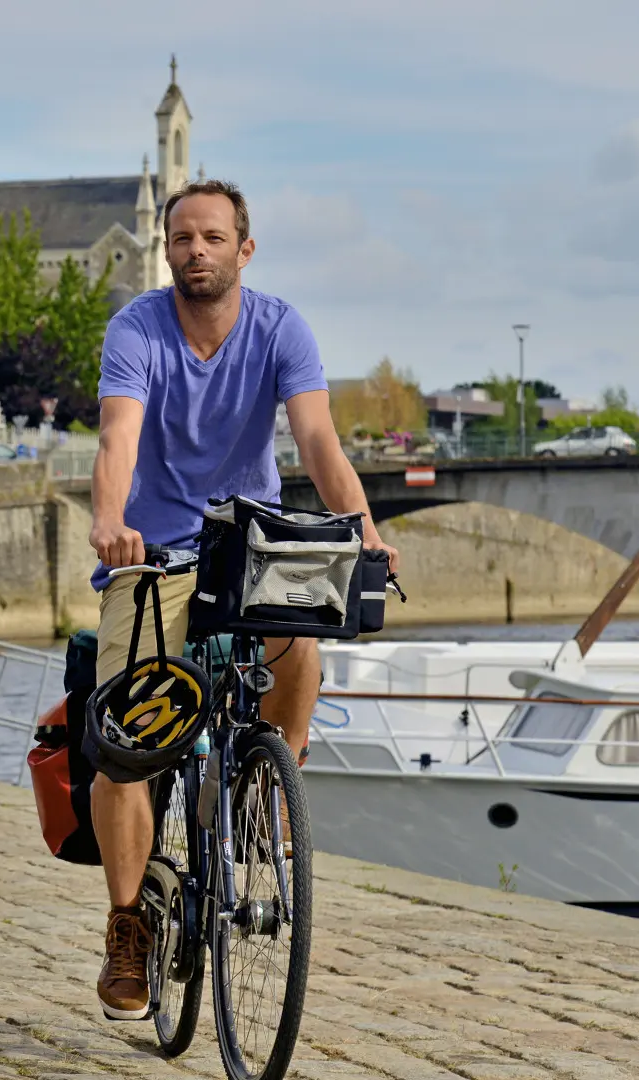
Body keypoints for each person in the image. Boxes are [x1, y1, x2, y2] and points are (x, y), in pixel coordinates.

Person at [85, 179, 398, 1020]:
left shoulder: (279, 328)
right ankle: (127, 924)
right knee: (130, 727)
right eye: (182, 238)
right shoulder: (137, 329)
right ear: (167, 251)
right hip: (154, 553)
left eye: (213, 238)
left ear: (243, 250)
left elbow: (318, 438)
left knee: (302, 643)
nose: (197, 251)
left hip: (250, 545)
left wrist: (360, 526)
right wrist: (111, 521)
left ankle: (270, 782)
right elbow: (119, 434)